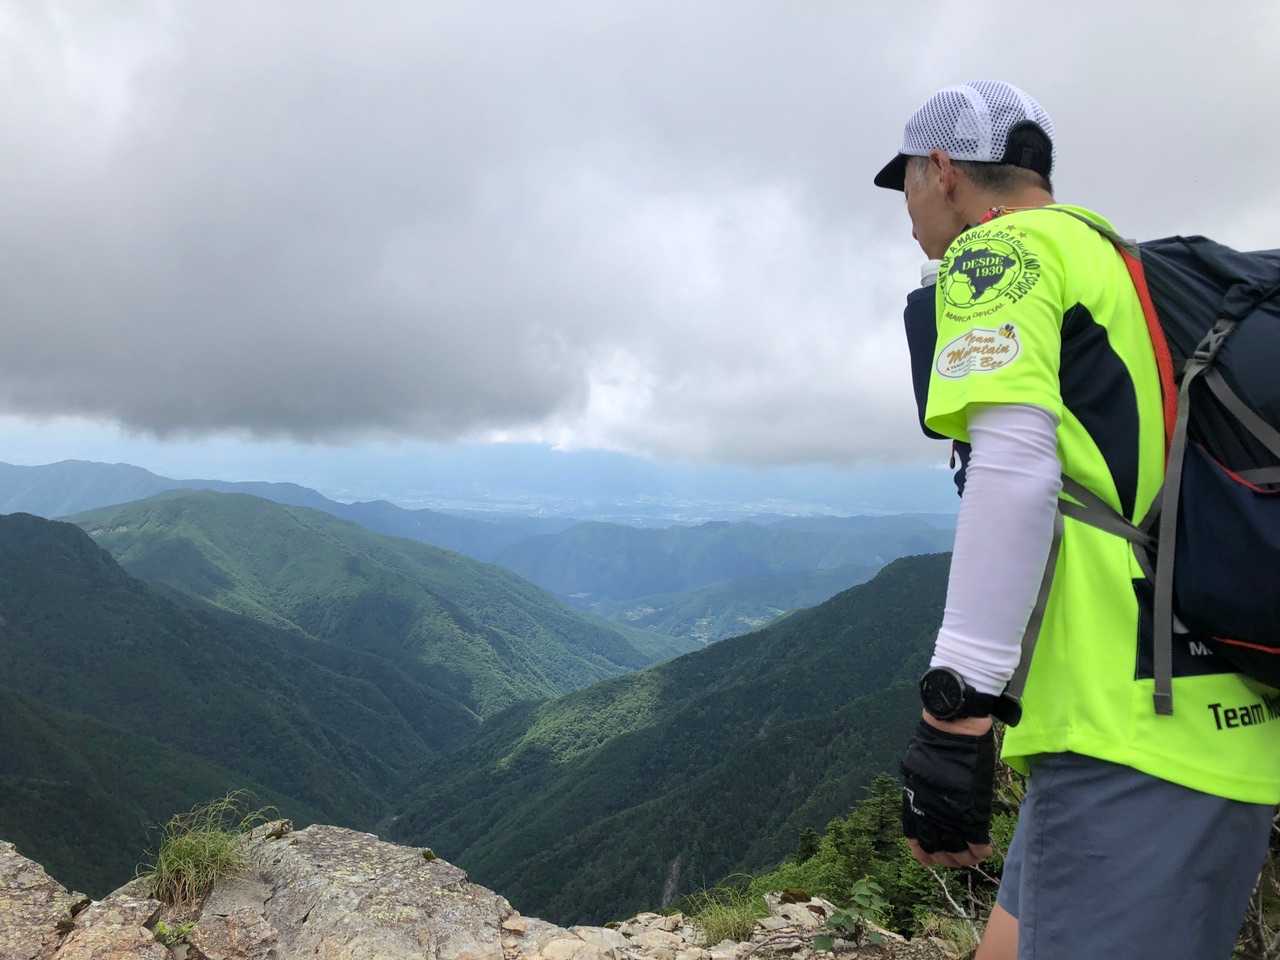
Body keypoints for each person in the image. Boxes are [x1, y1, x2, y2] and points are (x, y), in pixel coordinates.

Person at [874, 80, 1280, 959]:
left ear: (942, 169)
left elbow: (1013, 470)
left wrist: (955, 715)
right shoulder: (1114, 261)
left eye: (904, 180)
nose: (904, 206)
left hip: (1127, 737)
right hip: (1206, 721)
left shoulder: (998, 254)